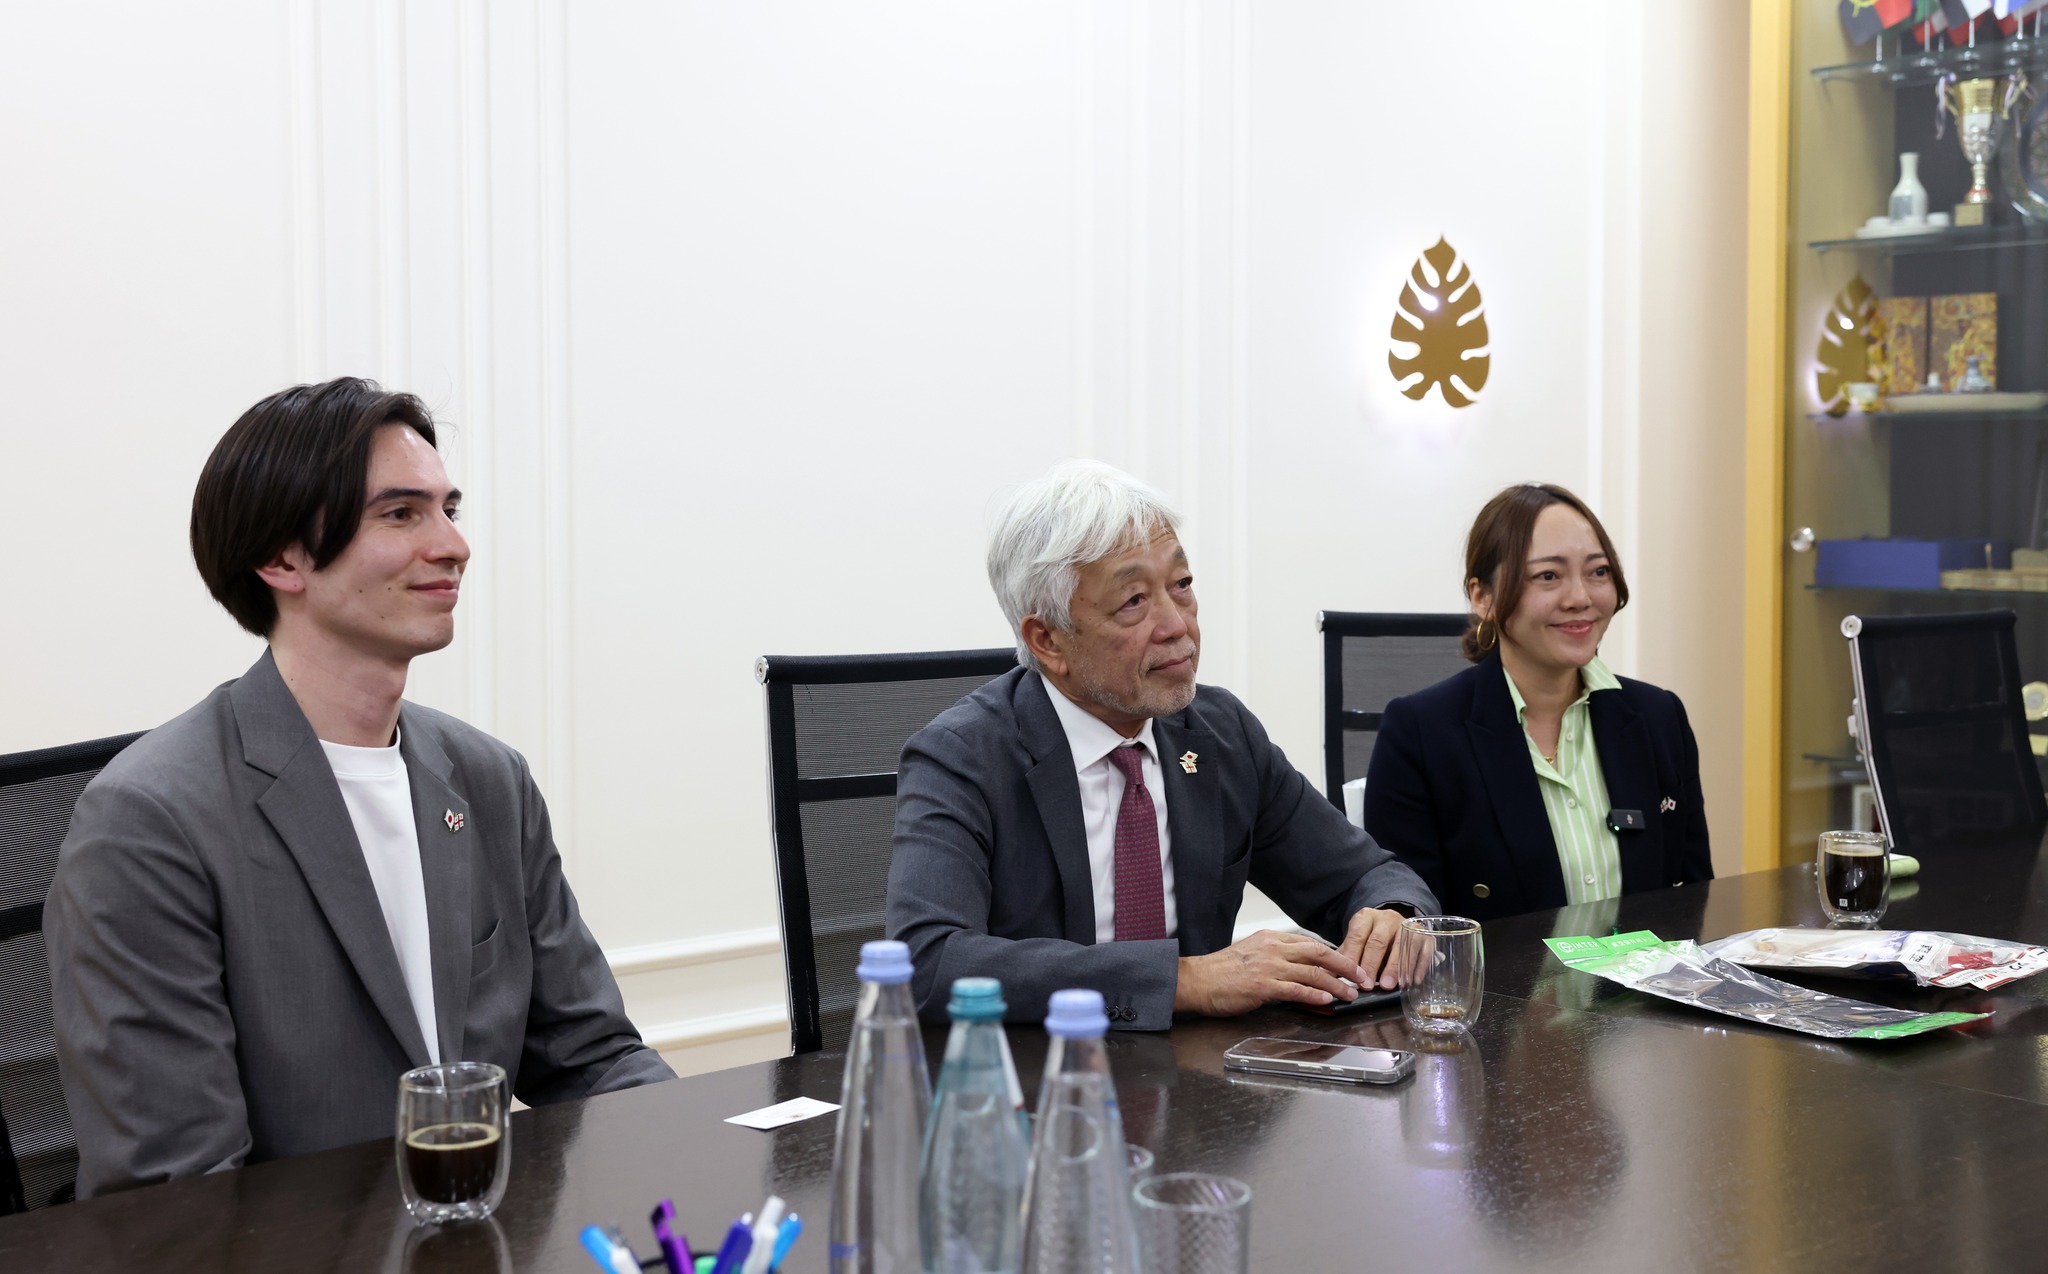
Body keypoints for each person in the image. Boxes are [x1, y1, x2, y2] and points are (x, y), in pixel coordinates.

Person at [46, 378, 673, 1198]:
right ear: (281, 560)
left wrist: (708, 1166)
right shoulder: (148, 821)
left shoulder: (490, 779)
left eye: (450, 509)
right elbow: (180, 1194)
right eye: (402, 514)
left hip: (482, 1238)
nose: (453, 545)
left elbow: (593, 1057)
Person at [886, 460, 1437, 1031]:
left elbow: (1364, 875)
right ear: (1047, 640)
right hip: (1037, 1073)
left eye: (1182, 585)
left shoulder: (1221, 733)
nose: (1177, 625)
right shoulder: (961, 756)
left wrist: (1394, 916)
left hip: (1202, 1074)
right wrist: (1185, 981)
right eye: (1133, 601)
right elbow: (926, 962)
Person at [1363, 482, 1711, 924]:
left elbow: (1692, 901)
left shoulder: (1659, 716)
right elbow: (1416, 929)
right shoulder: (1419, 732)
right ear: (1483, 597)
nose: (1580, 598)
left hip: (1647, 972)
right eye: (1548, 576)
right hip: (1500, 974)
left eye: (1598, 571)